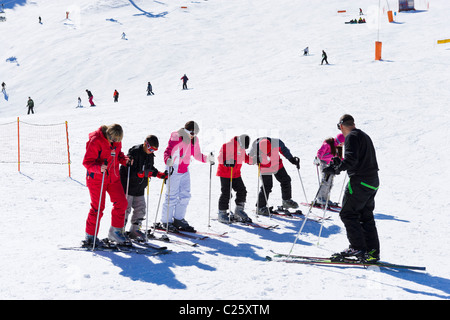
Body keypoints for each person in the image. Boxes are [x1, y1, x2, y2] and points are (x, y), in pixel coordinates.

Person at [323, 114, 380, 263]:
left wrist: (335, 169)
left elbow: (351, 160)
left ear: (341, 126)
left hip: (360, 181)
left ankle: (357, 247)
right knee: (365, 216)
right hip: (372, 181)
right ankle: (372, 252)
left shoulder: (351, 137)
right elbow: (355, 158)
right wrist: (339, 163)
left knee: (348, 213)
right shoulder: (364, 136)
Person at [161, 121, 214, 232]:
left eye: (195, 133)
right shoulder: (176, 136)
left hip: (185, 169)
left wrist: (207, 158)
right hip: (173, 168)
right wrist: (168, 160)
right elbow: (168, 151)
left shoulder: (194, 140)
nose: (193, 135)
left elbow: (197, 155)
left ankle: (178, 219)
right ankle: (166, 221)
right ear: (187, 130)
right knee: (171, 196)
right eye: (192, 133)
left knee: (185, 195)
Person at [83, 124, 130, 246]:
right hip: (97, 178)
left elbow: (118, 154)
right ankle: (90, 236)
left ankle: (115, 232)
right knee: (98, 207)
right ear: (108, 134)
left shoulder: (116, 141)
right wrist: (99, 168)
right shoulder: (96, 140)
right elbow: (87, 162)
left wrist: (125, 159)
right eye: (113, 139)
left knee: (122, 203)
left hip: (113, 177)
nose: (115, 142)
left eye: (118, 140)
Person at [119, 135, 167, 241]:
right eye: (150, 149)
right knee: (125, 210)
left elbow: (150, 169)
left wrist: (159, 174)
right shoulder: (135, 152)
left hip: (140, 187)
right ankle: (119, 231)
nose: (151, 151)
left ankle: (135, 231)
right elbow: (126, 169)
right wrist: (138, 174)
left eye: (154, 150)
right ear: (145, 143)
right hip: (128, 186)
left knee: (141, 210)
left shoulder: (150, 155)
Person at [248, 137, 300, 216]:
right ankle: (260, 207)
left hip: (276, 164)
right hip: (264, 167)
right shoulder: (255, 147)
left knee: (286, 180)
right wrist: (255, 159)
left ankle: (287, 201)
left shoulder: (276, 142)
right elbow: (248, 159)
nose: (268, 155)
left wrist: (291, 159)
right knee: (267, 186)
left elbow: (284, 150)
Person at [216, 134, 252, 224]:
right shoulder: (228, 145)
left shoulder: (242, 148)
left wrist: (254, 160)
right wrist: (227, 162)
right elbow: (220, 157)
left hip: (236, 173)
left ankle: (239, 211)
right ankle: (222, 213)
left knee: (242, 191)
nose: (243, 148)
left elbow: (245, 158)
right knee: (226, 193)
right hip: (225, 173)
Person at [313, 133, 345, 206]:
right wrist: (318, 158)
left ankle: (326, 198)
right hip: (324, 163)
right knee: (325, 181)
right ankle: (320, 198)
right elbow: (320, 151)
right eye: (342, 143)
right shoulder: (328, 143)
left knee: (330, 182)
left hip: (332, 165)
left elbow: (340, 158)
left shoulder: (338, 148)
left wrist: (345, 161)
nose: (343, 145)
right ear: (338, 141)